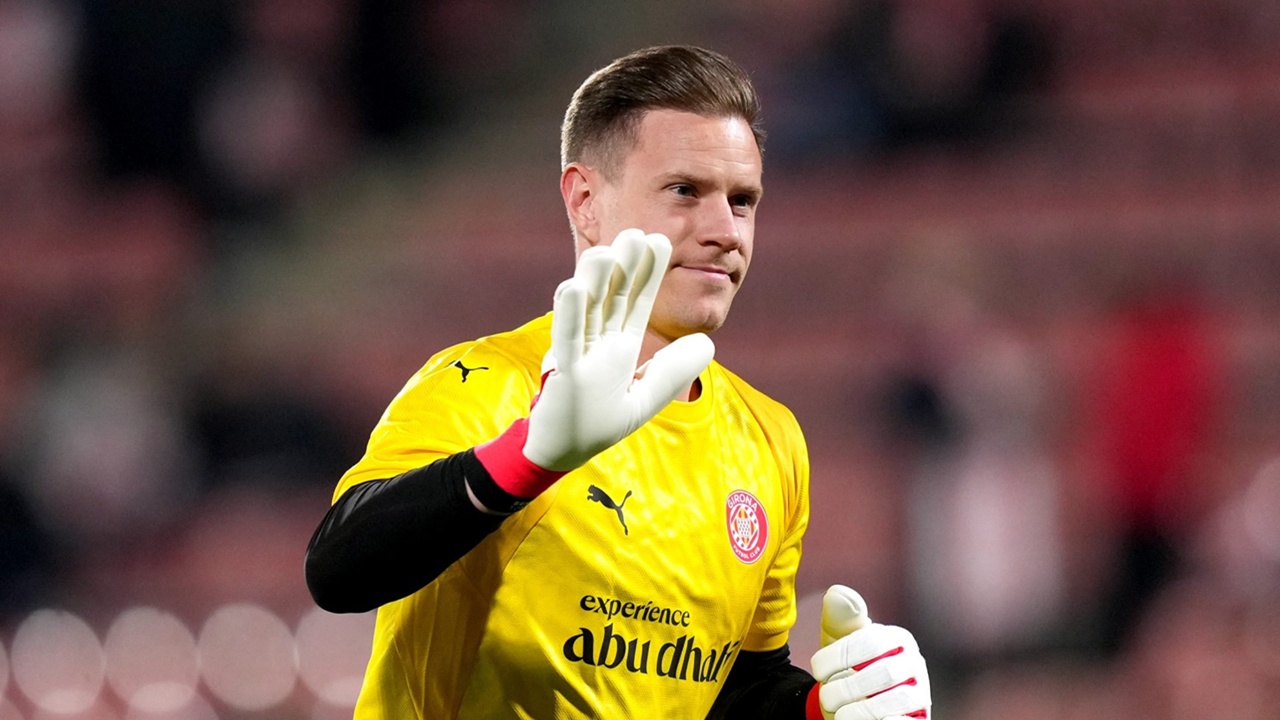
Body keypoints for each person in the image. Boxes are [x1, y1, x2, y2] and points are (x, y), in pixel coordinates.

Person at [305, 45, 931, 720]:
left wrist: (824, 708)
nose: (726, 231)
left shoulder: (769, 438)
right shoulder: (485, 383)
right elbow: (338, 571)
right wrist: (528, 459)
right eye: (685, 191)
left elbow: (730, 687)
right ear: (585, 200)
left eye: (743, 201)